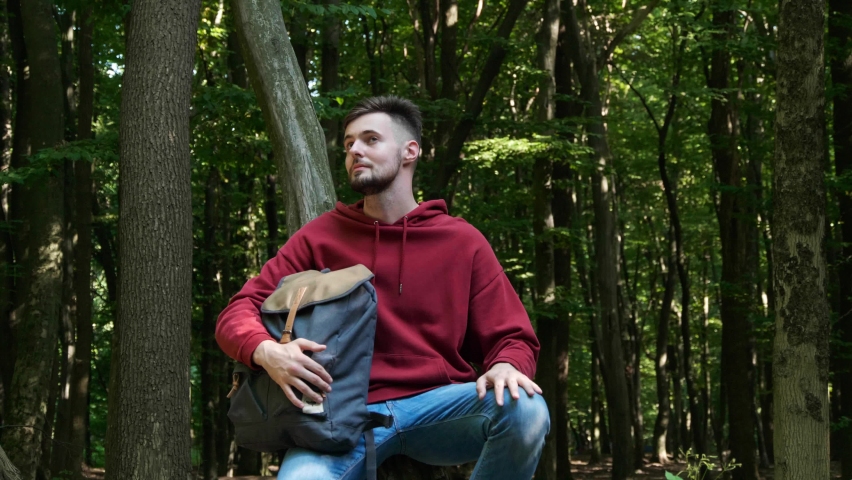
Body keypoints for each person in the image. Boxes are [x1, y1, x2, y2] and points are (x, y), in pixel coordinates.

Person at [216, 96, 549, 480]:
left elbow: (513, 336)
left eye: (370, 139)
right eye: (348, 143)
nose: (355, 150)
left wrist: (507, 364)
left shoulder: (461, 241)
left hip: (438, 408)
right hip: (339, 417)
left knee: (526, 409)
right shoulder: (319, 237)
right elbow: (238, 311)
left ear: (410, 151)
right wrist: (267, 351)